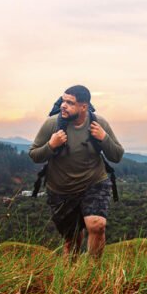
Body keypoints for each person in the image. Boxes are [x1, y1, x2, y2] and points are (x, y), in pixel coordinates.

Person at [29, 85, 124, 257]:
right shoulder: (52, 124)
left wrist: (104, 138)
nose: (63, 105)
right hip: (61, 190)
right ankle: (71, 275)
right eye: (63, 100)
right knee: (71, 240)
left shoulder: (98, 123)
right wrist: (51, 145)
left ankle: (93, 273)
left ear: (83, 107)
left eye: (70, 103)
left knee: (97, 225)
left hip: (94, 183)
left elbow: (117, 155)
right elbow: (35, 155)